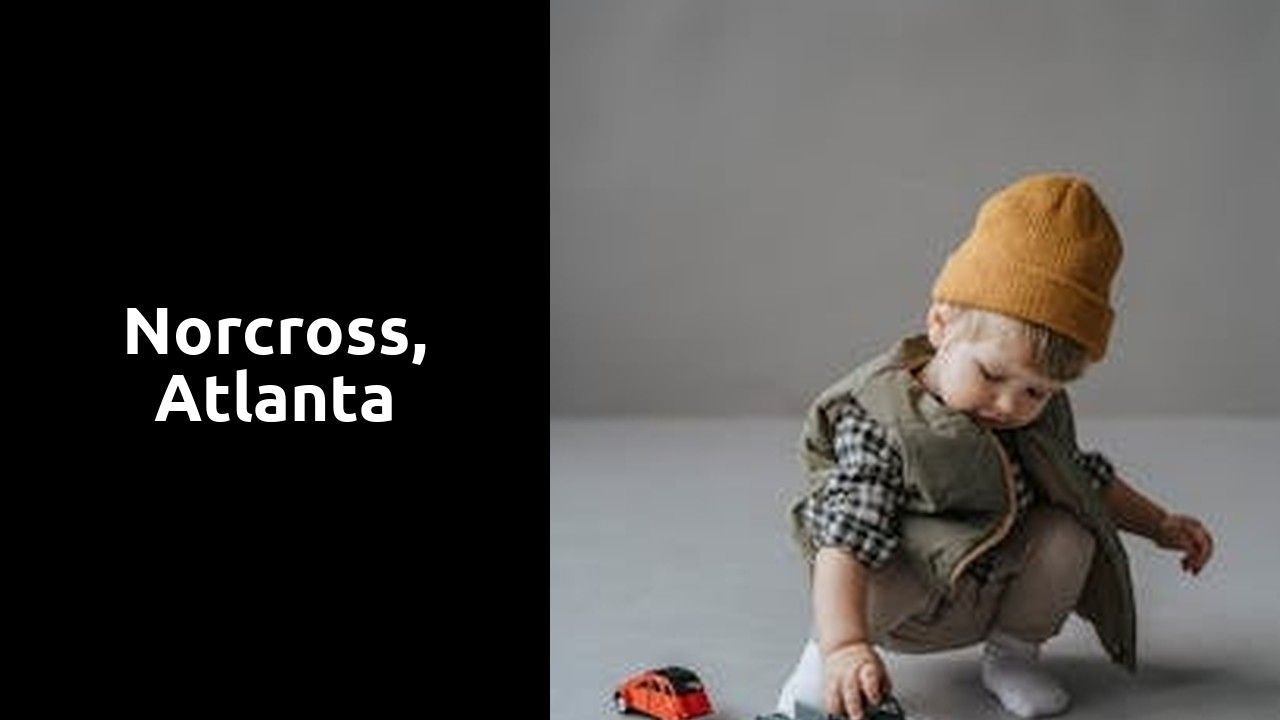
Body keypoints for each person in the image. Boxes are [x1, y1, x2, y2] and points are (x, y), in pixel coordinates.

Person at [776, 173, 1215, 719]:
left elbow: (1085, 480)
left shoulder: (1033, 419)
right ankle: (818, 670)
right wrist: (843, 643)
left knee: (1069, 532)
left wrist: (1160, 523)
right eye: (991, 374)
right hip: (899, 606)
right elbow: (843, 539)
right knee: (869, 564)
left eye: (1035, 390)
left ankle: (1013, 656)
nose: (1009, 404)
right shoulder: (884, 420)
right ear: (941, 324)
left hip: (983, 592)